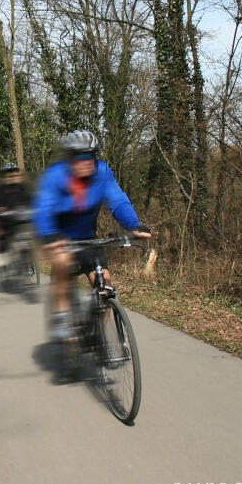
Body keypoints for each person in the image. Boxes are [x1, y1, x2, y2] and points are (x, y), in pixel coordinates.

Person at [33, 130, 151, 342]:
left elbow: (117, 199)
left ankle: (95, 337)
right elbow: (44, 207)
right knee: (62, 261)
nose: (86, 162)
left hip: (89, 237)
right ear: (70, 159)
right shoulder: (56, 175)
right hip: (61, 238)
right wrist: (48, 235)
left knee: (105, 287)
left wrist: (134, 225)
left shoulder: (102, 172)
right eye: (80, 157)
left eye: (91, 156)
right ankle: (60, 319)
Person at [0, 163, 31, 269]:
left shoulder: (23, 187)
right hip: (5, 221)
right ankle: (0, 255)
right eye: (10, 174)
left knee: (25, 241)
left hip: (20, 219)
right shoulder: (0, 189)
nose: (13, 176)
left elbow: (30, 200)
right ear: (5, 176)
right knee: (2, 236)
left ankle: (27, 266)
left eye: (15, 173)